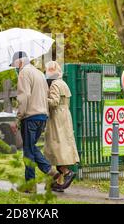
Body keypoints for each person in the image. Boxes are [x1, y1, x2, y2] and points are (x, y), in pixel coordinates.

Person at [11, 51, 59, 191]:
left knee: (28, 150)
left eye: (14, 64)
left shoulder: (24, 73)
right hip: (42, 116)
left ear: (19, 61)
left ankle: (35, 182)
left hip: (30, 116)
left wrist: (18, 116)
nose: (15, 67)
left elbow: (24, 96)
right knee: (31, 147)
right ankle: (47, 173)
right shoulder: (38, 73)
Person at [44, 61, 79, 192]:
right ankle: (58, 182)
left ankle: (65, 173)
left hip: (56, 118)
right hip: (65, 116)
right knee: (61, 148)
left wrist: (42, 98)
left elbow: (53, 102)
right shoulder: (63, 83)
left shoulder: (54, 84)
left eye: (47, 70)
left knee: (54, 148)